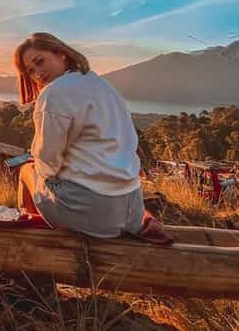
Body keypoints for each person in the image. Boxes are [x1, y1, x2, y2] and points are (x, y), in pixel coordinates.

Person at [13, 33, 143, 238]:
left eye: (40, 62)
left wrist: (39, 167)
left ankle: (33, 239)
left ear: (61, 53)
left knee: (27, 170)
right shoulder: (101, 85)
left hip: (95, 214)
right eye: (31, 71)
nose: (37, 73)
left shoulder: (54, 92)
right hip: (132, 211)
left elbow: (47, 161)